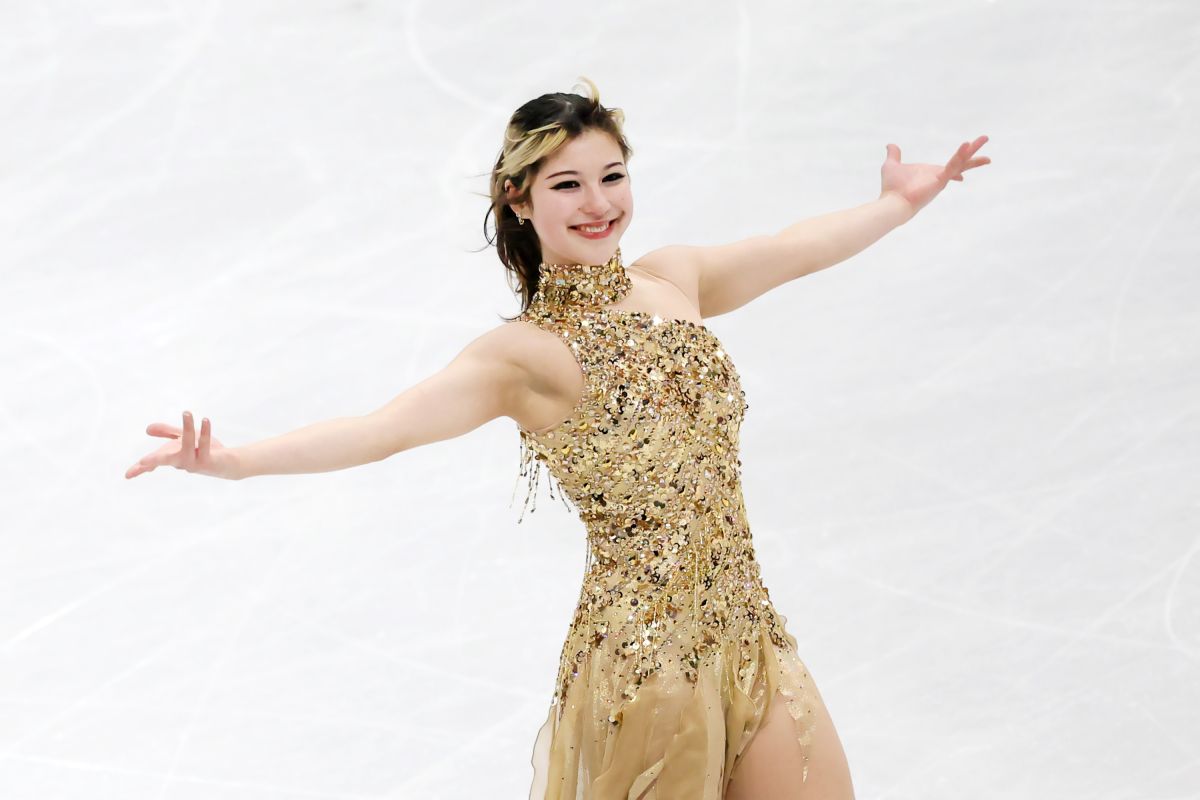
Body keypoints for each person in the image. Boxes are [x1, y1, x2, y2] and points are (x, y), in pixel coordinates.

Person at [126, 79, 989, 800]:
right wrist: (233, 461)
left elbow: (794, 250)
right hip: (647, 664)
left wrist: (895, 205)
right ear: (519, 197)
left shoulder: (674, 278)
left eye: (611, 176)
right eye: (567, 184)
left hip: (749, 629)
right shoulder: (524, 358)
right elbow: (383, 430)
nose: (599, 203)